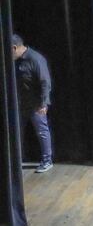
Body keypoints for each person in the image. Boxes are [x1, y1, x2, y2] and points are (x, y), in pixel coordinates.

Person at [11, 34, 54, 173]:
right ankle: (17, 160)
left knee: (42, 132)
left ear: (14, 48)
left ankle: (47, 161)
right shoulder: (15, 61)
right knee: (16, 132)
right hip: (19, 104)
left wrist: (44, 103)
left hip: (35, 104)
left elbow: (45, 82)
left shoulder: (35, 59)